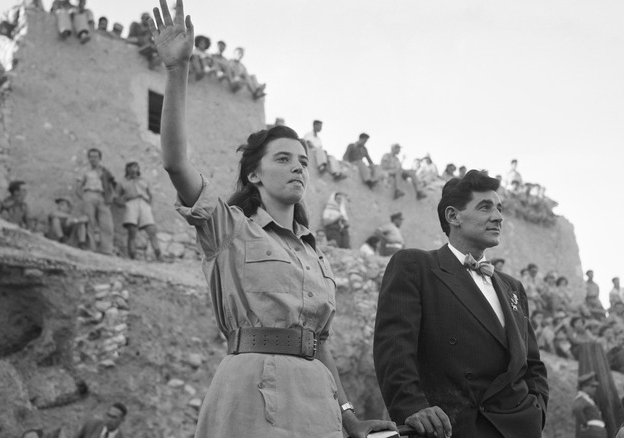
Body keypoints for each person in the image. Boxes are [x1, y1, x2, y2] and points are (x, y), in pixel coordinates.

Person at [145, 2, 396, 436]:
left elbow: (321, 344)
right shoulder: (230, 228)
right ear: (255, 174)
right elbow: (175, 163)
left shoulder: (314, 253)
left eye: (302, 160)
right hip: (250, 392)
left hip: (318, 401)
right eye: (283, 158)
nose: (299, 167)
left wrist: (349, 416)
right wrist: (177, 70)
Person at [374, 170, 549, 438]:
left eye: (499, 208)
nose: (498, 217)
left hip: (518, 428)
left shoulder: (512, 287)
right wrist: (412, 407)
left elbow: (532, 363)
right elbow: (395, 348)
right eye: (485, 207)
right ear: (453, 216)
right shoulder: (416, 266)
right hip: (451, 427)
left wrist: (537, 411)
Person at [116, 162, 162, 260]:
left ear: (138, 169)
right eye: (130, 168)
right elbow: (116, 197)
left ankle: (159, 256)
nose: (133, 170)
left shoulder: (144, 180)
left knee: (151, 230)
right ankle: (132, 257)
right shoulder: (123, 182)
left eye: (135, 167)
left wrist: (149, 205)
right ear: (127, 169)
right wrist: (123, 202)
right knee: (132, 231)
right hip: (131, 203)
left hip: (144, 204)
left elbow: (151, 194)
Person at [76, 148, 116, 254]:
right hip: (89, 194)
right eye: (91, 157)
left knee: (107, 224)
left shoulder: (104, 171)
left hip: (102, 196)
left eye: (96, 157)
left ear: (100, 158)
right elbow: (78, 187)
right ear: (88, 158)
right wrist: (84, 198)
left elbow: (111, 185)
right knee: (90, 223)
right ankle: (91, 247)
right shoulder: (85, 171)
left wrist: (110, 197)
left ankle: (106, 249)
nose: (93, 159)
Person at [573, 372, 607, 438]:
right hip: (592, 432)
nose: (595, 389)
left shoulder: (587, 399)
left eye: (596, 386)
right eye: (592, 386)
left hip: (597, 431)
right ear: (583, 386)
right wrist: (584, 424)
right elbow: (576, 409)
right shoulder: (581, 398)